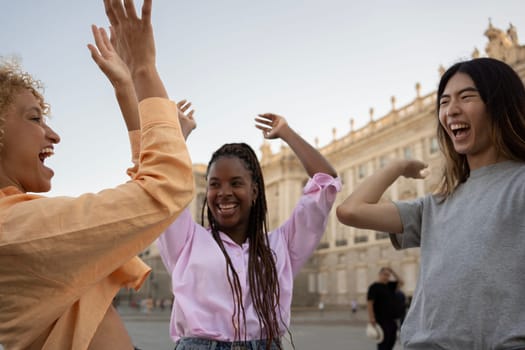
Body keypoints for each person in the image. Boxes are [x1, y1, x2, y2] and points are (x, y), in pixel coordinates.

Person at [0, 0, 194, 349]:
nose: (53, 134)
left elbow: (145, 190)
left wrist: (125, 90)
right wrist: (144, 70)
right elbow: (165, 188)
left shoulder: (17, 222)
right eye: (34, 118)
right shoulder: (15, 228)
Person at [335, 57, 525, 349]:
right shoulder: (436, 204)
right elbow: (350, 211)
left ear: (500, 104)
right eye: (444, 101)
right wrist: (396, 166)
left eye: (467, 97)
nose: (451, 110)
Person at [156, 112, 341, 349]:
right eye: (214, 184)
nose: (223, 192)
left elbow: (326, 183)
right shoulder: (185, 240)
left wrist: (287, 133)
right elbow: (161, 184)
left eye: (235, 183)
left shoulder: (282, 245)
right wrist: (177, 138)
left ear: (254, 192)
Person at [367, 267, 403, 350]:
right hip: (381, 320)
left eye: (388, 275)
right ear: (380, 275)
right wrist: (371, 318)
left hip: (392, 320)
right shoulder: (374, 287)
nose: (387, 277)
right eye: (385, 274)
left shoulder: (390, 286)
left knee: (391, 341)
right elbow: (370, 303)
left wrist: (393, 271)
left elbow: (401, 282)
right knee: (383, 343)